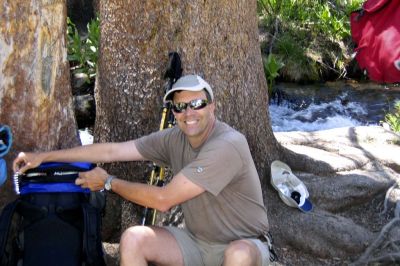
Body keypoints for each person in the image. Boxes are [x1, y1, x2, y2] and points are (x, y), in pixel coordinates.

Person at [13, 74, 273, 266]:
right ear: (174, 112)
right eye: (180, 107)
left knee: (237, 255)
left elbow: (164, 200)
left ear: (212, 106)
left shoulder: (228, 144)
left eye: (197, 103)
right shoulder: (174, 138)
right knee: (134, 238)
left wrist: (108, 182)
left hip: (245, 245)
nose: (188, 113)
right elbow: (112, 151)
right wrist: (44, 156)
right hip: (196, 243)